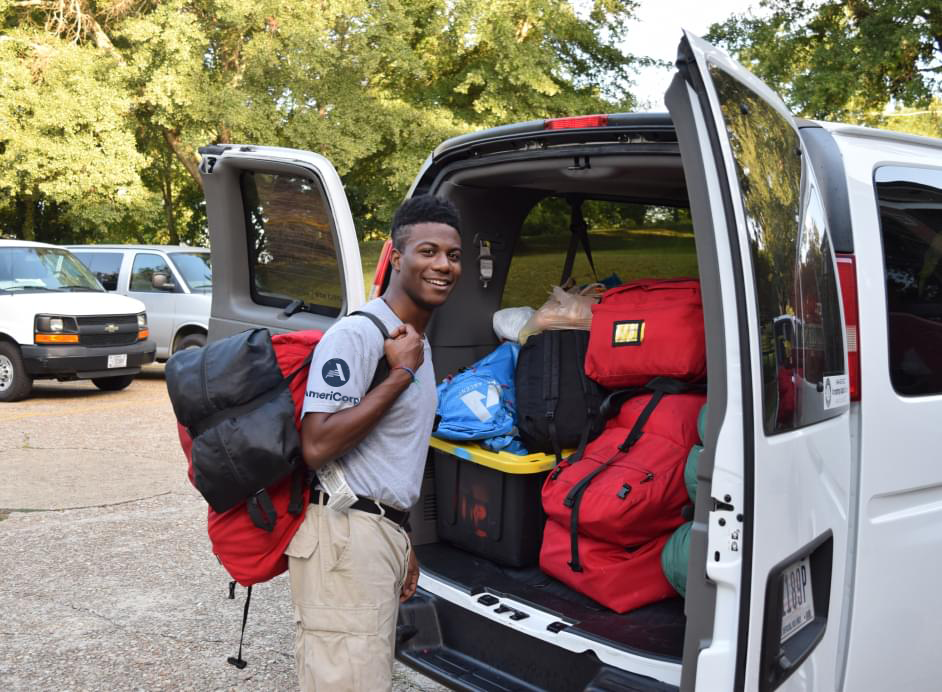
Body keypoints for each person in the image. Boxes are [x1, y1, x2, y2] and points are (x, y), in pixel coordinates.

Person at [284, 194, 462, 691]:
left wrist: (401, 537)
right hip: (344, 537)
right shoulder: (359, 336)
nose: (443, 265)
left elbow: (388, 456)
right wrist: (400, 372)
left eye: (453, 255)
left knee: (365, 674)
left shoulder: (414, 342)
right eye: (428, 252)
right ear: (396, 257)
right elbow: (316, 445)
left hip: (374, 533)